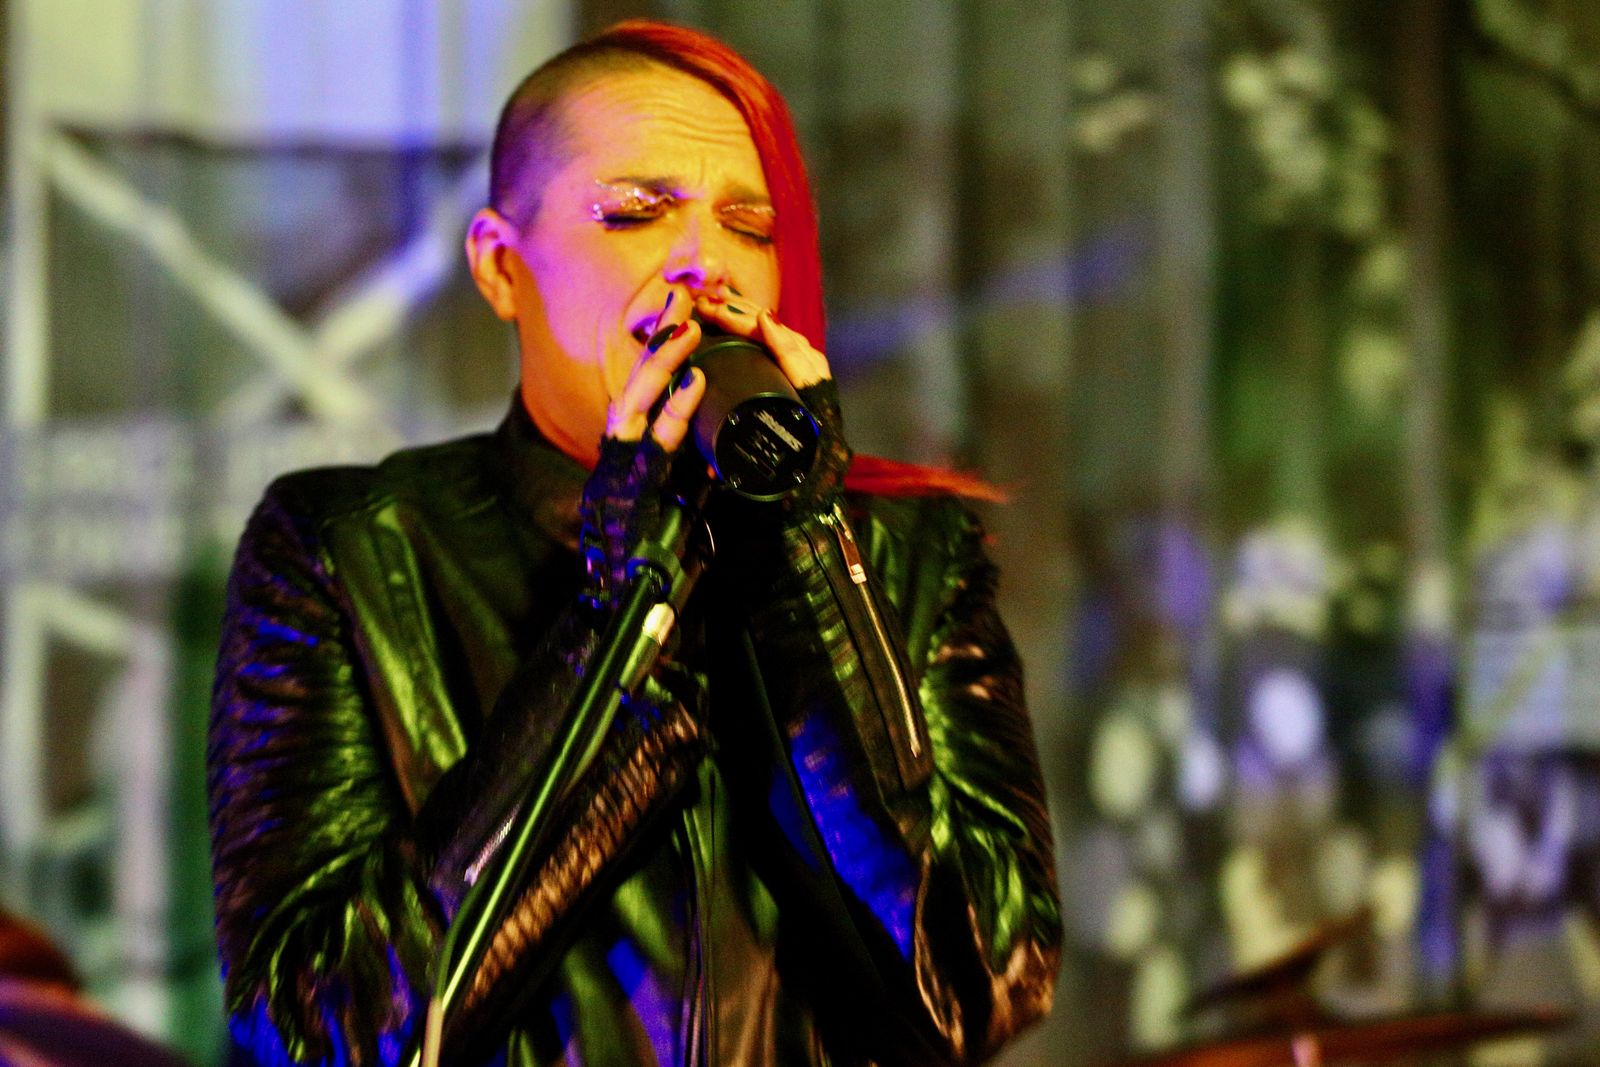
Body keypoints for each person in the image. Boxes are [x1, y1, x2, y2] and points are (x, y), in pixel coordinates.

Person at [208, 19, 1060, 1067]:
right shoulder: (346, 548)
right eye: (634, 212)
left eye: (748, 225)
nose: (706, 263)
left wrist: (804, 561)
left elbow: (979, 985)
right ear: (500, 266)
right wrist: (622, 617)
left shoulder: (907, 555)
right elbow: (313, 1028)